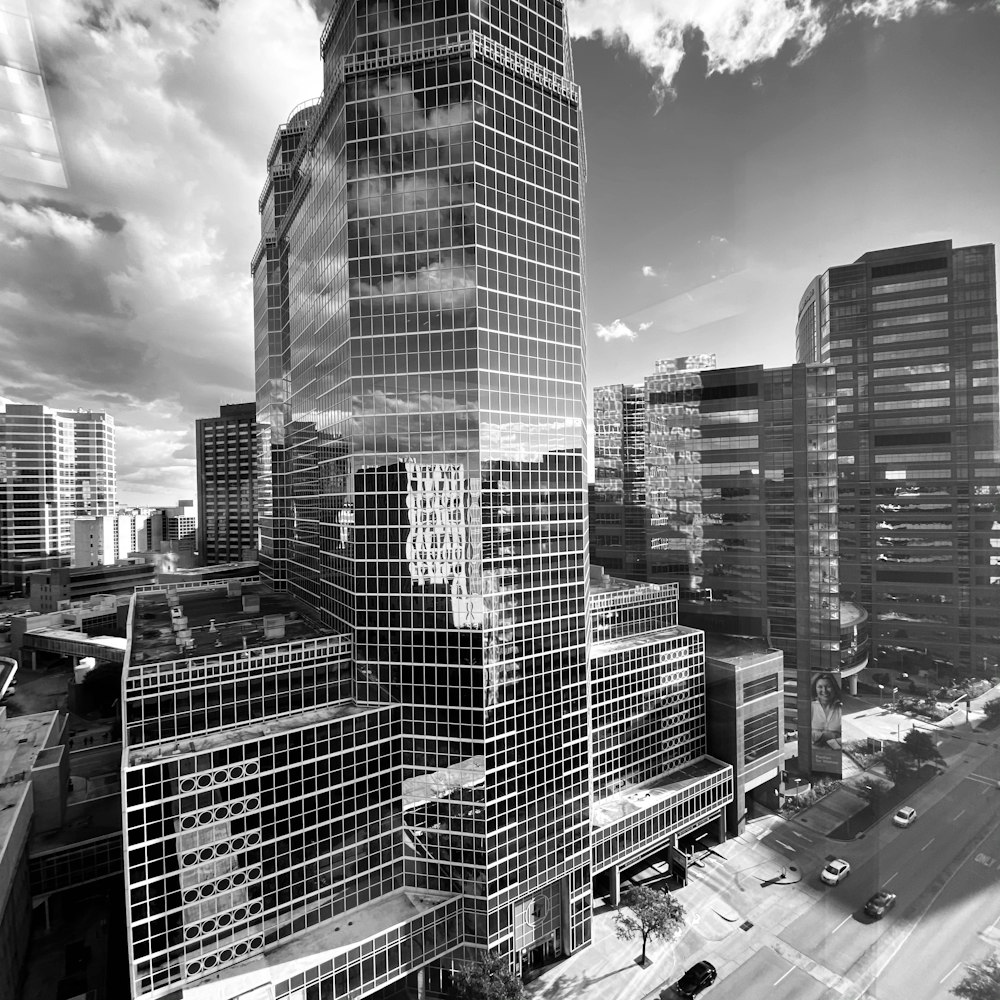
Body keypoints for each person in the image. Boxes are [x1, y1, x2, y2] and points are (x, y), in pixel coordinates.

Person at [811, 672, 843, 748]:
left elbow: (847, 739)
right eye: (820, 687)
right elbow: (803, 734)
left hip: (835, 754)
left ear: (834, 688)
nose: (824, 690)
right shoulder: (809, 707)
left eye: (828, 686)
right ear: (815, 689)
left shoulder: (841, 709)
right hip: (813, 754)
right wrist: (832, 736)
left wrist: (820, 737)